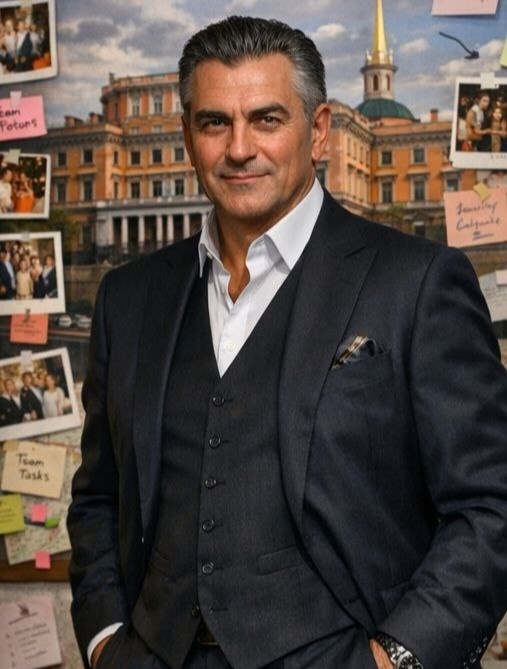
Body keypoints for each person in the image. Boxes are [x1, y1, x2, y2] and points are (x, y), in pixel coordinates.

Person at [67, 16, 507, 669]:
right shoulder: (127, 298)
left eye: (267, 119)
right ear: (188, 137)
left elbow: (490, 504)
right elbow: (99, 495)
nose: (239, 148)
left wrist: (395, 658)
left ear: (319, 130)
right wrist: (105, 641)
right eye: (214, 122)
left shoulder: (416, 281)